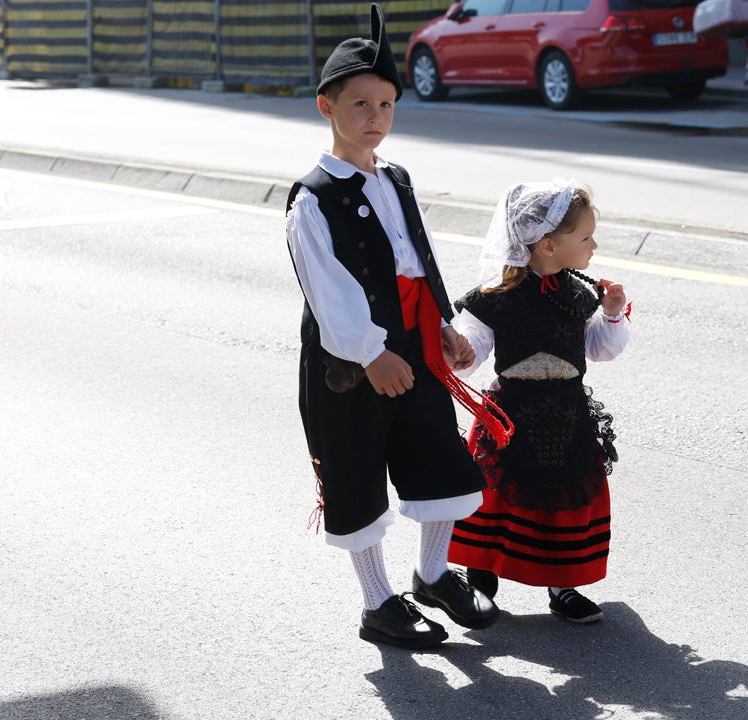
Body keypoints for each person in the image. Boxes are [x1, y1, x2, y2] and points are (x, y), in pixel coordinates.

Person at [284, 3, 505, 650]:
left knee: (438, 454)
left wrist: (444, 325)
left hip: (416, 340)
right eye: (360, 105)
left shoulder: (398, 178)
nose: (375, 118)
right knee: (358, 470)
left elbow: (420, 257)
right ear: (327, 108)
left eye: (385, 104)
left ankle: (432, 574)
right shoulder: (312, 199)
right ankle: (378, 603)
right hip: (351, 360)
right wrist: (371, 354)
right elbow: (329, 292)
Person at [447, 179, 631, 624]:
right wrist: (460, 349)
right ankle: (480, 574)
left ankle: (562, 585)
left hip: (567, 414)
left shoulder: (577, 293)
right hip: (510, 416)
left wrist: (610, 312)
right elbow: (470, 353)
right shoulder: (496, 298)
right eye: (585, 237)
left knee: (562, 497)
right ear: (548, 245)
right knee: (498, 496)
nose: (594, 245)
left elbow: (599, 349)